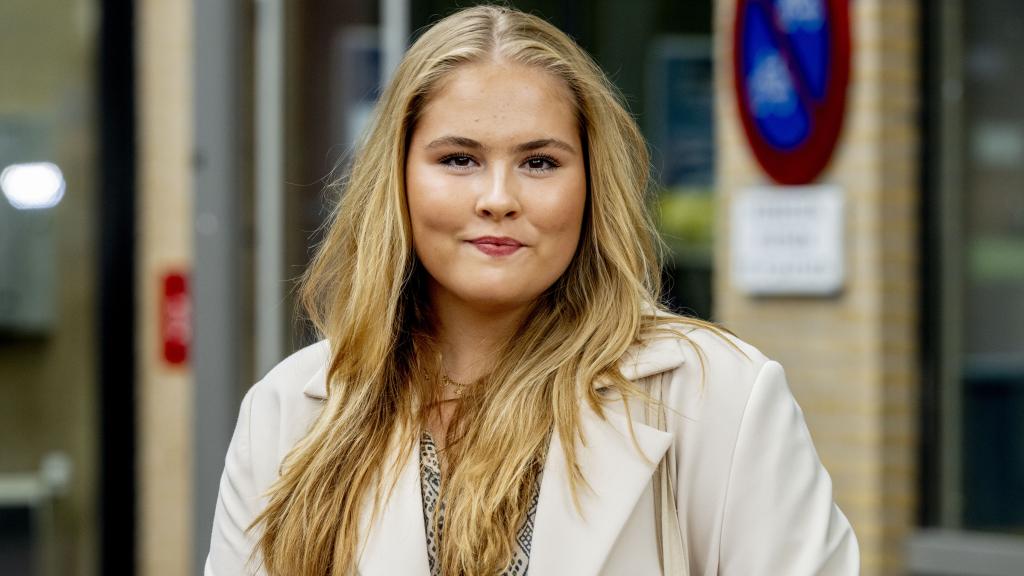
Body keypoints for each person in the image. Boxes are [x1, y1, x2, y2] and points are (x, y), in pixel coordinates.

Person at [205, 5, 859, 575]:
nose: (498, 198)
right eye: (459, 159)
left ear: (591, 184)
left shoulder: (718, 397)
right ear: (397, 178)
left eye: (539, 162)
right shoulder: (286, 412)